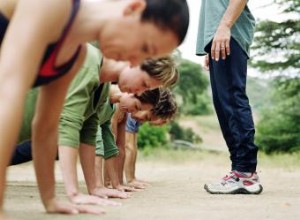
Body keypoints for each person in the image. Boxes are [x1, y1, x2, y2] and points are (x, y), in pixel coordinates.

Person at [0, 0, 189, 215]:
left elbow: (45, 127)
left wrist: (51, 200)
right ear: (133, 9)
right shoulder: (53, 5)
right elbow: (8, 92)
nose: (134, 60)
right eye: (144, 47)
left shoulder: (76, 55)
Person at [196, 0, 263, 194]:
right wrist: (211, 40)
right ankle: (239, 171)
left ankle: (245, 173)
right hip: (219, 36)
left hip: (228, 33)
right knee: (223, 104)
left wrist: (224, 27)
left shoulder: (227, 29)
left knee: (232, 100)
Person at [124, 89, 178, 188]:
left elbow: (133, 147)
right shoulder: (132, 114)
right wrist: (130, 180)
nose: (162, 125)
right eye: (164, 121)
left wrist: (133, 178)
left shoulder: (137, 117)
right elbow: (128, 147)